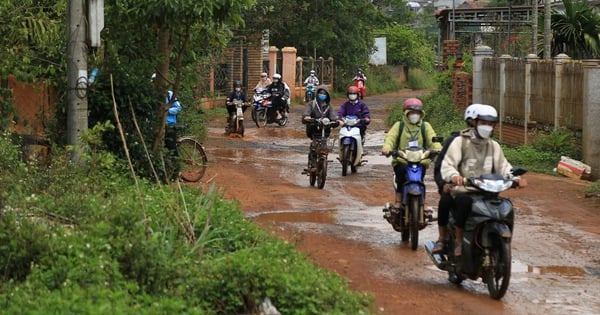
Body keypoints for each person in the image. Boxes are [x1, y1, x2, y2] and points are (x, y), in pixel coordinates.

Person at [440, 104, 527, 256]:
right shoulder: (460, 142)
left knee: (504, 207)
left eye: (491, 124)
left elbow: (504, 166)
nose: (488, 126)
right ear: (473, 122)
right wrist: (454, 176)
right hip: (465, 190)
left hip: (487, 191)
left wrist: (515, 178)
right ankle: (459, 242)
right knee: (463, 202)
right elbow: (448, 164)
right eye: (483, 123)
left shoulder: (494, 146)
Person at [431, 103, 484, 253]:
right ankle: (443, 239)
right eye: (480, 122)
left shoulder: (489, 144)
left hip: (482, 188)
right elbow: (441, 165)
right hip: (459, 187)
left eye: (488, 123)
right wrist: (443, 184)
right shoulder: (454, 141)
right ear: (471, 122)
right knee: (448, 200)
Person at [381, 98, 442, 210]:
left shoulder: (425, 126)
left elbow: (433, 139)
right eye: (412, 112)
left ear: (421, 114)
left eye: (417, 112)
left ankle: (423, 203)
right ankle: (398, 201)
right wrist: (387, 148)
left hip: (421, 160)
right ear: (406, 113)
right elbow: (390, 138)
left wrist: (438, 148)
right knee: (400, 174)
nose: (415, 115)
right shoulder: (399, 126)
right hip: (402, 159)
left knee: (420, 177)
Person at [301, 86, 338, 171]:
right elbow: (306, 113)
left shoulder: (329, 106)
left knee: (324, 147)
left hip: (325, 131)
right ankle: (312, 164)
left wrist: (335, 121)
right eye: (321, 93)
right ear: (317, 94)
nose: (322, 95)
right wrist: (307, 117)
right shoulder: (312, 104)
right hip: (314, 129)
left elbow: (333, 116)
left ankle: (324, 162)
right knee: (314, 146)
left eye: (324, 93)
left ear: (327, 95)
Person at [165, 90, 182, 154]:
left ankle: (175, 162)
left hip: (170, 124)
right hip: (157, 125)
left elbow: (178, 107)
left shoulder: (169, 94)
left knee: (171, 147)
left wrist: (166, 111)